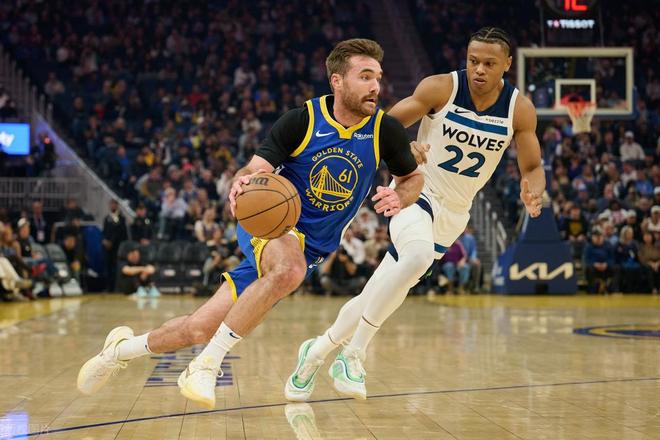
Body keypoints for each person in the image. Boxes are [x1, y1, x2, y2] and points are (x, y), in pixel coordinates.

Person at [77, 38, 423, 409]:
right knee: (288, 270)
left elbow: (412, 178)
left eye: (378, 77)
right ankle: (205, 365)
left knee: (199, 327)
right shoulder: (302, 120)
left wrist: (401, 197)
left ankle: (119, 351)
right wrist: (242, 180)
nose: (375, 86)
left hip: (313, 247)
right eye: (365, 76)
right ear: (337, 81)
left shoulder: (384, 130)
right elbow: (254, 169)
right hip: (271, 222)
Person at [285, 27, 545, 402]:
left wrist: (532, 188)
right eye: (473, 61)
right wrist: (404, 146)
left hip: (455, 213)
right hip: (415, 192)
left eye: (489, 64)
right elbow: (385, 126)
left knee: (380, 291)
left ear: (507, 64)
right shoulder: (441, 88)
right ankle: (353, 354)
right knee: (417, 256)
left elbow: (532, 166)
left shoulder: (519, 109)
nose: (479, 69)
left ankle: (315, 352)